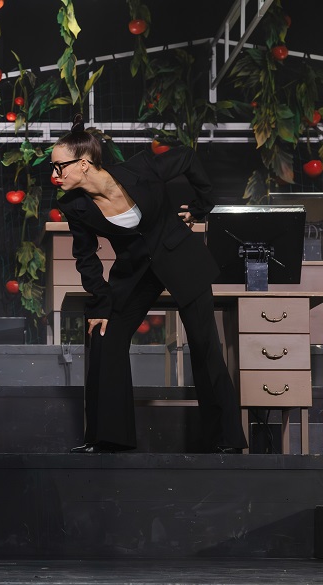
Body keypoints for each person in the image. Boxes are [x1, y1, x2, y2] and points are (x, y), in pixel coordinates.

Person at [52, 114, 247, 454]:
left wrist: (201, 207)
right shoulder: (74, 205)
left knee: (204, 344)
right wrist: (100, 302)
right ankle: (109, 437)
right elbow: (86, 256)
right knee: (105, 335)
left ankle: (225, 439)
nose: (55, 175)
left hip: (179, 256)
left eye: (59, 167)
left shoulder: (141, 168)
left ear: (83, 163)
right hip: (135, 271)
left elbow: (187, 156)